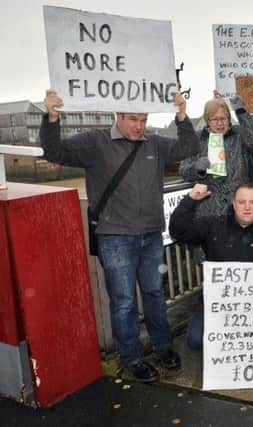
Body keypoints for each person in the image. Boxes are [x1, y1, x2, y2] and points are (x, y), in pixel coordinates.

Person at [40, 89, 199, 382]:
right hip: (114, 237)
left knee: (154, 294)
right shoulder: (95, 143)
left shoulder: (155, 143)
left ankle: (163, 348)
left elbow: (189, 147)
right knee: (124, 301)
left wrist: (181, 114)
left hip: (151, 234)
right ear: (118, 116)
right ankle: (132, 359)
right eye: (132, 119)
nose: (139, 126)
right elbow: (54, 152)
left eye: (143, 119)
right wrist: (51, 117)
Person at [168, 183, 253, 351]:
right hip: (218, 303)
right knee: (196, 340)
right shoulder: (213, 226)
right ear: (234, 204)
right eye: (241, 202)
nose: (247, 207)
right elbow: (178, 231)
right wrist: (190, 201)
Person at [178, 92, 253, 263]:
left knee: (242, 258)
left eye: (224, 118)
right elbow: (183, 170)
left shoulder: (240, 134)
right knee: (212, 262)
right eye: (214, 119)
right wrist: (198, 168)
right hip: (208, 211)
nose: (220, 123)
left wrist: (240, 110)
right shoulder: (197, 139)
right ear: (207, 120)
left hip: (238, 210)